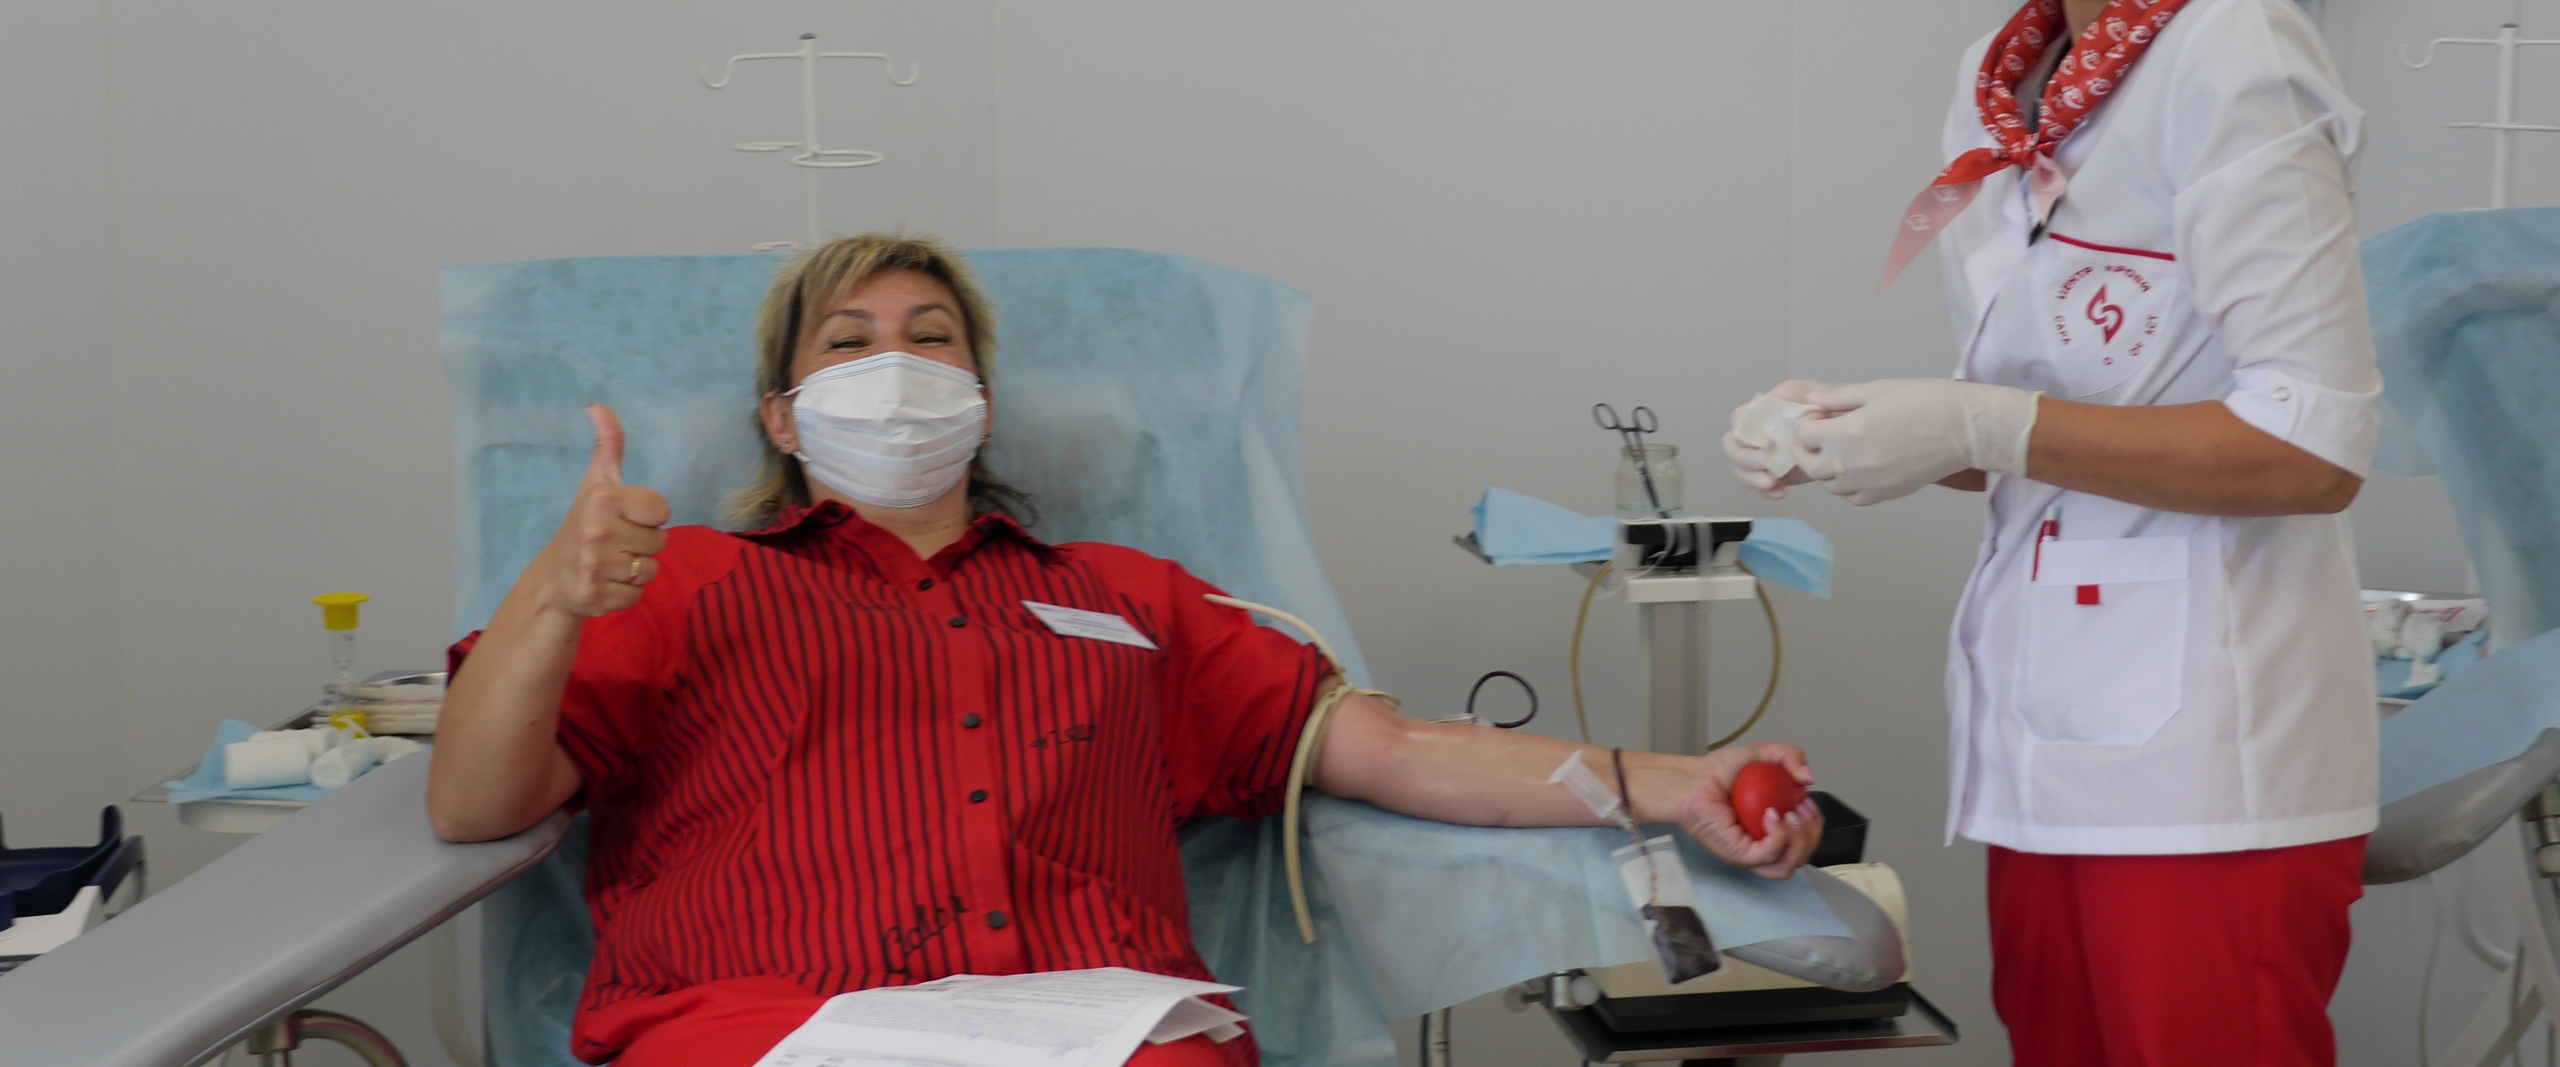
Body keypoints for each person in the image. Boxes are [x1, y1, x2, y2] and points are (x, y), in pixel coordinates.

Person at [430, 231, 1824, 1067]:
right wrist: (553, 597)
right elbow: (475, 802)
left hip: (1097, 1032)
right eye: (847, 344)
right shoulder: (679, 579)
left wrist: (1672, 781)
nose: (894, 364)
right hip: (767, 1029)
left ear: (981, 398)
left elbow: (1392, 749)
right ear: (784, 418)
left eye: (930, 338)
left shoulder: (1129, 601)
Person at [1722, 0, 2378, 1065]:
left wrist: (1978, 426)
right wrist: (1877, 431)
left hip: (2214, 749)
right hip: (2047, 738)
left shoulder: (2235, 51)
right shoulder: (2000, 79)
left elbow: (2312, 447)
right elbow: (2055, 416)